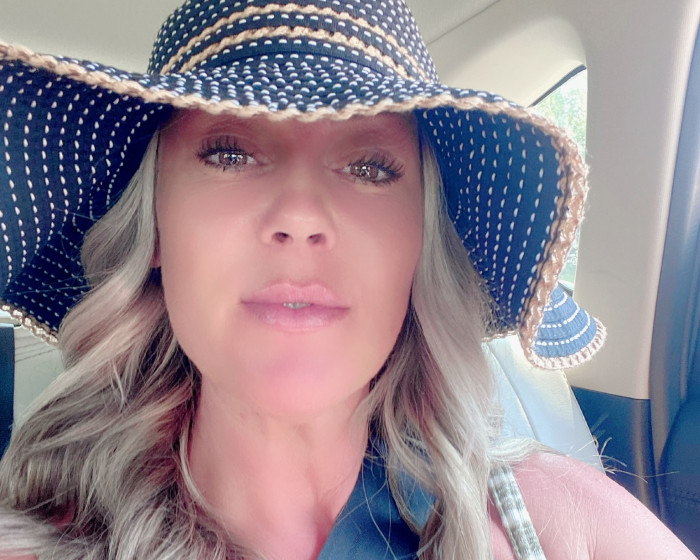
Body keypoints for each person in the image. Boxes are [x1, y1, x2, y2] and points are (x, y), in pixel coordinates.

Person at [0, 1, 694, 559]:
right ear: (154, 227)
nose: (300, 216)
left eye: (370, 168)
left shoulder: (566, 527)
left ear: (419, 245)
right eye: (230, 153)